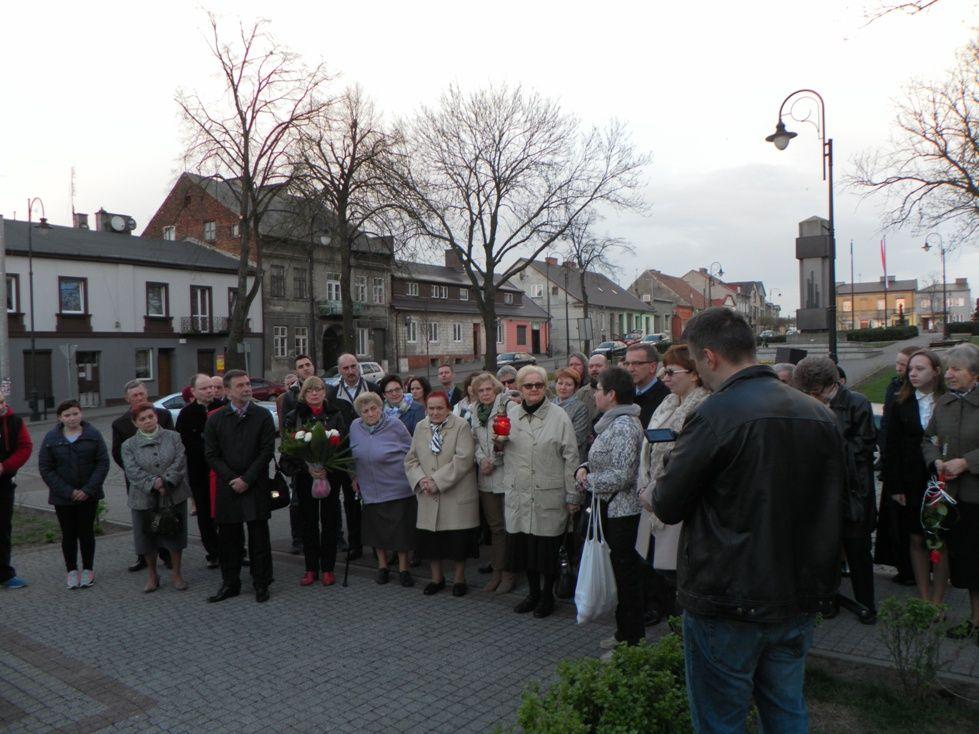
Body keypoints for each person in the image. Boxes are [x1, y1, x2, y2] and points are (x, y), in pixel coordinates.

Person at [652, 308, 844, 734]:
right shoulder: (819, 414)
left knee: (721, 721)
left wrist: (668, 464)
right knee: (786, 709)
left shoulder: (714, 414)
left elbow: (667, 503)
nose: (698, 374)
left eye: (696, 364)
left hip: (728, 597)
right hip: (797, 593)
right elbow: (840, 505)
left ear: (709, 357)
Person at [794, 356, 877, 624]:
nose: (813, 397)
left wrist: (825, 435)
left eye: (816, 393)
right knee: (824, 551)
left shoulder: (856, 403)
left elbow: (862, 448)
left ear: (832, 385)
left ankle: (866, 602)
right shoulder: (804, 402)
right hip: (820, 492)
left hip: (852, 491)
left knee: (858, 550)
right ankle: (826, 600)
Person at [575, 366, 645, 653]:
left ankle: (631, 640)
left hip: (622, 513)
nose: (594, 395)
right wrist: (585, 467)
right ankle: (622, 633)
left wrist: (586, 481)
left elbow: (623, 475)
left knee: (626, 578)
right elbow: (603, 460)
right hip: (608, 509)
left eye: (598, 390)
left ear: (611, 395)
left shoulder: (625, 426)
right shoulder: (610, 423)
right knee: (619, 574)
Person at [637, 345, 710, 614]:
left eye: (670, 371)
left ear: (694, 374)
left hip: (676, 502)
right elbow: (650, 446)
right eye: (663, 371)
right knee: (660, 571)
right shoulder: (669, 403)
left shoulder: (701, 405)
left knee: (678, 575)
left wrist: (656, 489)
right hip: (652, 495)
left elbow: (684, 458)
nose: (664, 377)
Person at [503, 365, 580, 618]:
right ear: (520, 388)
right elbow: (501, 452)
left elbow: (571, 457)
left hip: (548, 494)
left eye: (538, 385)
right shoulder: (511, 415)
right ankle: (533, 593)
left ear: (544, 387)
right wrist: (497, 445)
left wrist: (572, 496)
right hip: (520, 494)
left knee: (547, 550)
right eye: (528, 385)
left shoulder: (559, 416)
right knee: (526, 549)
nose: (534, 389)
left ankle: (547, 595)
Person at [204, 370, 276, 603]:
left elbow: (266, 451)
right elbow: (211, 455)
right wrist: (232, 479)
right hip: (229, 487)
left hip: (255, 485)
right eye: (240, 385)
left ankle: (261, 583)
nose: (247, 388)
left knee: (259, 539)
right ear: (227, 391)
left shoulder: (262, 415)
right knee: (229, 540)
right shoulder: (215, 419)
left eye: (248, 384)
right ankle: (230, 583)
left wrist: (247, 479)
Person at [922, 343, 979, 642]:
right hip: (951, 497)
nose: (949, 375)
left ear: (974, 373)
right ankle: (975, 622)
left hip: (975, 495)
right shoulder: (944, 402)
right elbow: (928, 438)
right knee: (966, 562)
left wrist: (967, 463)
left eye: (956, 369)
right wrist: (936, 459)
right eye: (948, 369)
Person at [883, 349, 947, 605]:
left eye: (920, 368)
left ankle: (938, 599)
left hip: (942, 477)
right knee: (916, 536)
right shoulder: (901, 401)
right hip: (910, 478)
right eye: (911, 369)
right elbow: (892, 444)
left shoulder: (947, 400)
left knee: (939, 538)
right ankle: (923, 595)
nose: (913, 373)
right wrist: (895, 484)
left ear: (936, 371)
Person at [404, 390, 479, 596]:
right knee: (431, 543)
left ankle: (459, 579)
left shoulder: (461, 426)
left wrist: (437, 481)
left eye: (440, 408)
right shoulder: (420, 427)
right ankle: (436, 579)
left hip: (454, 492)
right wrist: (421, 480)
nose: (435, 412)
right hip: (428, 493)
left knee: (457, 542)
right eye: (431, 408)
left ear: (448, 408)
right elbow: (411, 459)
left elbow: (464, 459)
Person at [39, 400, 110, 590]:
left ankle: (88, 569)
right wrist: (68, 491)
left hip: (89, 495)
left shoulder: (93, 435)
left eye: (75, 413)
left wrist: (87, 490)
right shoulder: (51, 438)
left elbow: (102, 463)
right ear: (60, 418)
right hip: (63, 497)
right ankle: (71, 570)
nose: (72, 418)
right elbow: (46, 468)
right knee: (68, 534)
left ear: (81, 414)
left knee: (86, 533)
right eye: (67, 415)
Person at [283, 376, 347, 587]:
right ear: (304, 393)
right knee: (308, 524)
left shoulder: (335, 414)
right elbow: (288, 450)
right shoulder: (295, 416)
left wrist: (325, 468)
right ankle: (311, 568)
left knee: (330, 522)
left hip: (329, 477)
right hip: (304, 478)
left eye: (318, 389)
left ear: (324, 392)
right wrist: (308, 468)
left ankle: (328, 568)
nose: (314, 393)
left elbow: (343, 446)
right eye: (309, 390)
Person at [349, 391, 417, 587]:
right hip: (370, 488)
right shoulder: (355, 427)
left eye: (373, 409)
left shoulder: (395, 424)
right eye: (365, 411)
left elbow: (411, 450)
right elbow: (351, 455)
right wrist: (353, 476)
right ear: (359, 414)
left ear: (381, 408)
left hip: (397, 486)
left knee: (400, 532)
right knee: (377, 531)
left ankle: (404, 569)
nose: (370, 414)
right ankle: (383, 567)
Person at [122, 403, 192, 593]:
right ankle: (153, 575)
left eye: (150, 417)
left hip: (173, 494)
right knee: (147, 538)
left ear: (156, 417)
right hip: (144, 498)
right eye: (142, 419)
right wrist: (154, 483)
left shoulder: (174, 437)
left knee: (175, 536)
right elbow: (132, 470)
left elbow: (180, 461)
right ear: (135, 423)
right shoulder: (128, 445)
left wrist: (167, 481)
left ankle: (177, 574)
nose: (148, 421)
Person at [111, 379, 174, 573]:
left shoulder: (162, 415)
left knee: (165, 515)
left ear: (147, 393)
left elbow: (172, 443)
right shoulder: (120, 424)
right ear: (127, 399)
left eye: (141, 394)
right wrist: (139, 475)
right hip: (137, 480)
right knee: (142, 518)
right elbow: (118, 453)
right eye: (134, 396)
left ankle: (167, 554)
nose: (139, 398)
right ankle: (143, 556)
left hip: (164, 478)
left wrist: (163, 475)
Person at [876, 344, 921, 585]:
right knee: (895, 521)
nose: (900, 369)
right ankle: (903, 566)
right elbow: (887, 424)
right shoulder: (894, 386)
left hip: (910, 464)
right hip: (893, 462)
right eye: (899, 364)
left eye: (904, 365)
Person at [329, 353, 380, 560]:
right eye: (345, 368)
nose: (350, 371)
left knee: (374, 501)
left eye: (353, 366)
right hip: (345, 455)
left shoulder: (372, 388)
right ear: (340, 370)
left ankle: (379, 545)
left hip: (370, 452)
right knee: (350, 501)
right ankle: (356, 544)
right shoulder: (332, 394)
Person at [469, 372, 515, 594]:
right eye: (481, 391)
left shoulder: (507, 408)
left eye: (488, 389)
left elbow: (512, 440)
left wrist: (493, 461)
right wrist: (480, 459)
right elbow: (475, 441)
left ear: (495, 389)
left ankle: (508, 573)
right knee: (495, 528)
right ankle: (497, 571)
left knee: (509, 527)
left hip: (505, 474)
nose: (485, 393)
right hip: (485, 477)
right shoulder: (474, 411)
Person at [175, 374, 220, 569]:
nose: (209, 391)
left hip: (222, 471)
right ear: (193, 391)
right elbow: (185, 442)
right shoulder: (187, 414)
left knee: (226, 513)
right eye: (204, 388)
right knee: (205, 514)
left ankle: (233, 550)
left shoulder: (222, 407)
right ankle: (213, 551)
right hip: (199, 471)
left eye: (211, 387)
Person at [277, 354, 319, 555]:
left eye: (308, 364)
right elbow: (286, 427)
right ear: (297, 371)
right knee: (298, 500)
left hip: (320, 453)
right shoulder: (290, 396)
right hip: (299, 457)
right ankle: (298, 538)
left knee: (327, 497)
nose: (306, 368)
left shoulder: (323, 388)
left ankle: (332, 536)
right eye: (301, 366)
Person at [0, 392, 33, 589]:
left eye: (2, 401)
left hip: (3, 484)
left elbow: (25, 447)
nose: (1, 406)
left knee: (3, 529)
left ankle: (5, 574)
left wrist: (5, 466)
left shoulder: (14, 422)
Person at [624, 343, 670, 427]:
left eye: (636, 363)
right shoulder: (623, 394)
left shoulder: (667, 397)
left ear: (652, 367)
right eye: (627, 364)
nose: (630, 369)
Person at [552, 368, 590, 463]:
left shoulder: (580, 408)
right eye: (560, 383)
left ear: (575, 388)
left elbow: (577, 439)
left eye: (568, 385)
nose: (563, 387)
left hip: (571, 460)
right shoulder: (549, 404)